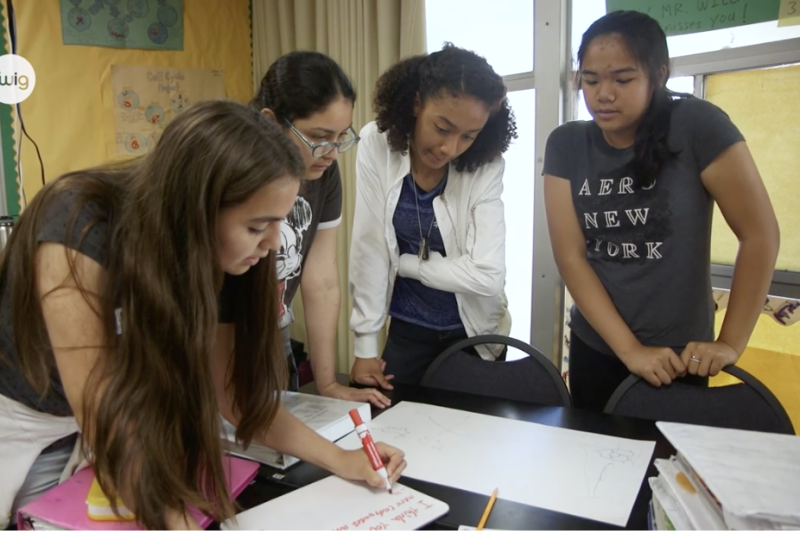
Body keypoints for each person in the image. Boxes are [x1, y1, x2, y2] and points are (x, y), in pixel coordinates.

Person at [0, 100, 406, 530]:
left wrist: (342, 459)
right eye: (255, 227)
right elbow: (103, 412)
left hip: (117, 424)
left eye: (278, 222)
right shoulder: (78, 224)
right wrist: (177, 520)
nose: (272, 243)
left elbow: (234, 396)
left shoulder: (230, 254)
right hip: (24, 417)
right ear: (197, 208)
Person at [543, 10, 779, 410]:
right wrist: (630, 349)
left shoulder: (697, 125)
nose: (603, 94)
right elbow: (571, 256)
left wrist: (730, 342)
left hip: (680, 357)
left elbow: (759, 234)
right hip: (597, 346)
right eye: (591, 79)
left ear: (659, 75)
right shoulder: (566, 143)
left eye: (623, 79)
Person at [348, 43, 518, 387]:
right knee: (390, 428)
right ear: (415, 104)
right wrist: (364, 344)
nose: (450, 148)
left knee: (470, 436)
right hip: (408, 330)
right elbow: (370, 246)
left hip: (474, 333)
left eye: (468, 136)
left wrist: (410, 265)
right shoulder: (376, 144)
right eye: (442, 128)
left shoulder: (486, 166)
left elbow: (487, 275)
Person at [248, 51, 391, 408]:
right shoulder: (236, 171)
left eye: (342, 136)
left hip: (272, 329)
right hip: (215, 331)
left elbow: (322, 278)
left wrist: (326, 382)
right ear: (271, 122)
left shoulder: (324, 171)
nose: (331, 152)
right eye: (320, 136)